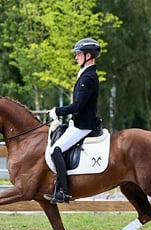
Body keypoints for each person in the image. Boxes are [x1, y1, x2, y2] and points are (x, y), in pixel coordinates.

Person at [44, 38, 101, 204]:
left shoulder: (89, 77)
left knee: (56, 150)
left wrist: (57, 111)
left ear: (88, 55)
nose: (76, 57)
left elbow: (77, 106)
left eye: (78, 54)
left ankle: (64, 191)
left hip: (83, 125)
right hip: (77, 123)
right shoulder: (85, 74)